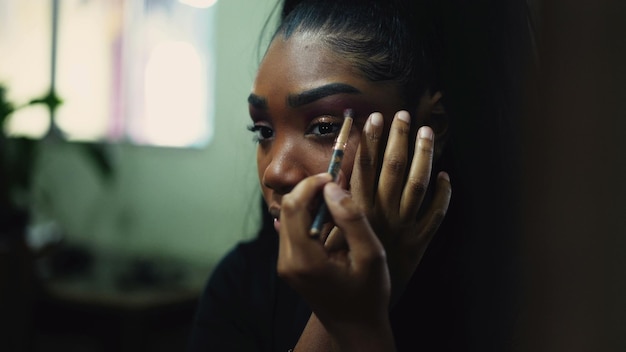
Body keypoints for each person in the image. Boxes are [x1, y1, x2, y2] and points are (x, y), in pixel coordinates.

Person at [188, 0, 529, 350]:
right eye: (263, 131)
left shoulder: (529, 300)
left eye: (324, 127)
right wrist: (340, 316)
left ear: (431, 127)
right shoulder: (241, 284)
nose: (274, 171)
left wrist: (357, 322)